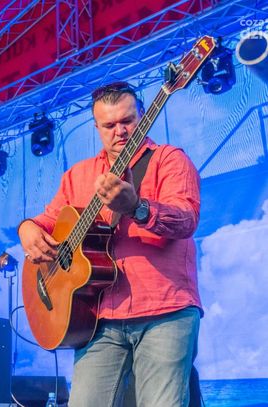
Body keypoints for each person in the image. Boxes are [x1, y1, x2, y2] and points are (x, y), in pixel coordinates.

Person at [18, 82, 202, 407]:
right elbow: (46, 221)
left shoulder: (169, 160)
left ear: (142, 115)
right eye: (109, 125)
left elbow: (186, 220)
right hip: (98, 318)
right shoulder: (77, 175)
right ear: (97, 127)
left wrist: (138, 208)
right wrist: (27, 229)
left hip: (165, 309)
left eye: (127, 120)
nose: (120, 131)